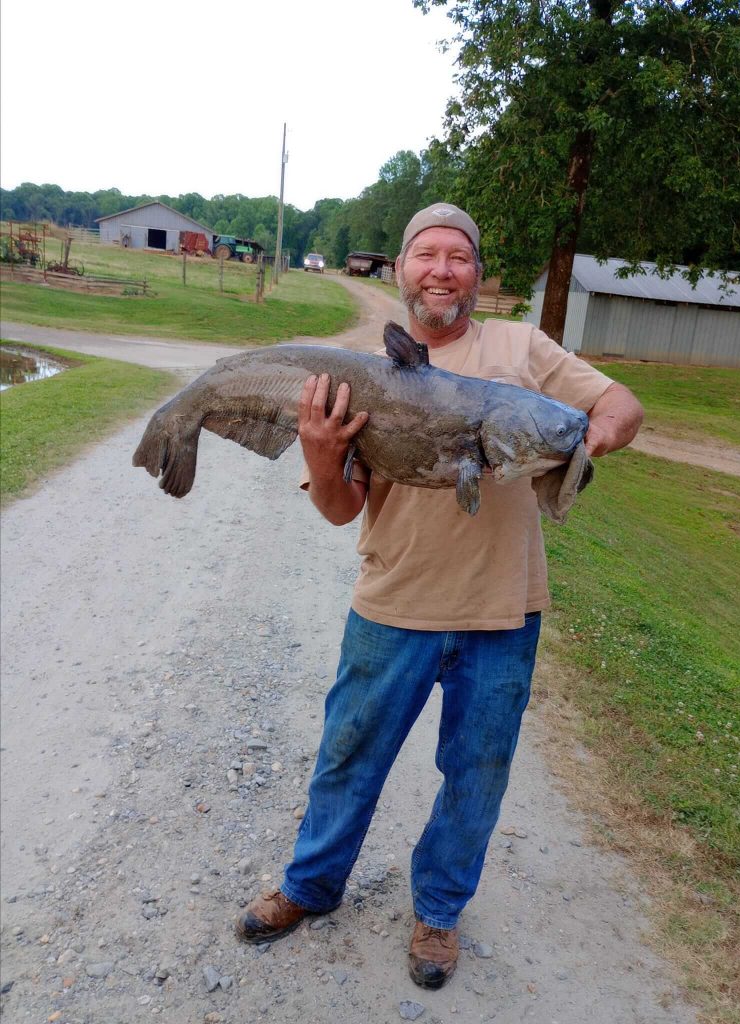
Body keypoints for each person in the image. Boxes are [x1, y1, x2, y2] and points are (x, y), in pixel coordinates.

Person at [235, 203, 643, 989]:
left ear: (478, 276)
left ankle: (438, 916)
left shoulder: (524, 349)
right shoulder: (349, 373)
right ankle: (308, 886)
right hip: (392, 606)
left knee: (477, 773)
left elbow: (620, 405)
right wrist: (323, 455)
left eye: (460, 256)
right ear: (401, 269)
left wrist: (580, 447)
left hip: (503, 612)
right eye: (427, 253)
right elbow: (341, 508)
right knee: (348, 759)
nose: (443, 269)